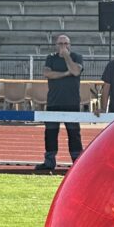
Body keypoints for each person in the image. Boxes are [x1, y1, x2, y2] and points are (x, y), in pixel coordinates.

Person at [34, 34, 84, 173]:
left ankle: (77, 162)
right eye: (60, 44)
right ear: (56, 45)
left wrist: (67, 56)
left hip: (71, 102)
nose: (62, 46)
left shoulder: (76, 57)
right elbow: (47, 74)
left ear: (70, 44)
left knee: (74, 133)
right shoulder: (51, 58)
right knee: (50, 133)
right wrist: (65, 73)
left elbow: (75, 71)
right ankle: (49, 162)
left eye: (65, 43)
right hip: (53, 101)